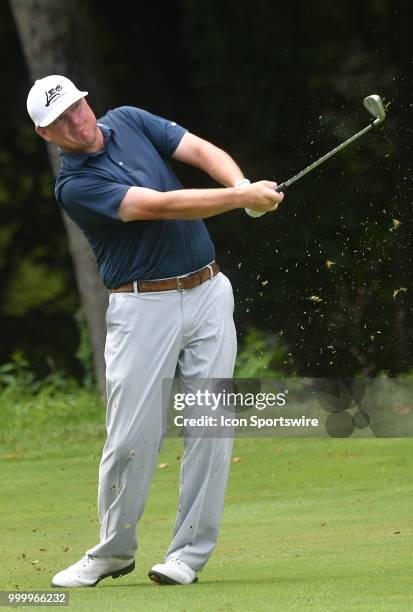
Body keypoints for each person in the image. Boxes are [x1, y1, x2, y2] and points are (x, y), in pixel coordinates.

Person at [26, 75, 284, 588]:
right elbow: (157, 205)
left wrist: (240, 187)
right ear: (46, 135)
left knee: (210, 427)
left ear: (85, 101)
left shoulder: (127, 119)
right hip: (144, 308)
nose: (76, 121)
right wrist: (239, 200)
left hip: (209, 291)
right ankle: (112, 552)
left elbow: (200, 148)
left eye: (76, 107)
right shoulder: (74, 187)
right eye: (59, 121)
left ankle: (187, 556)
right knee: (130, 439)